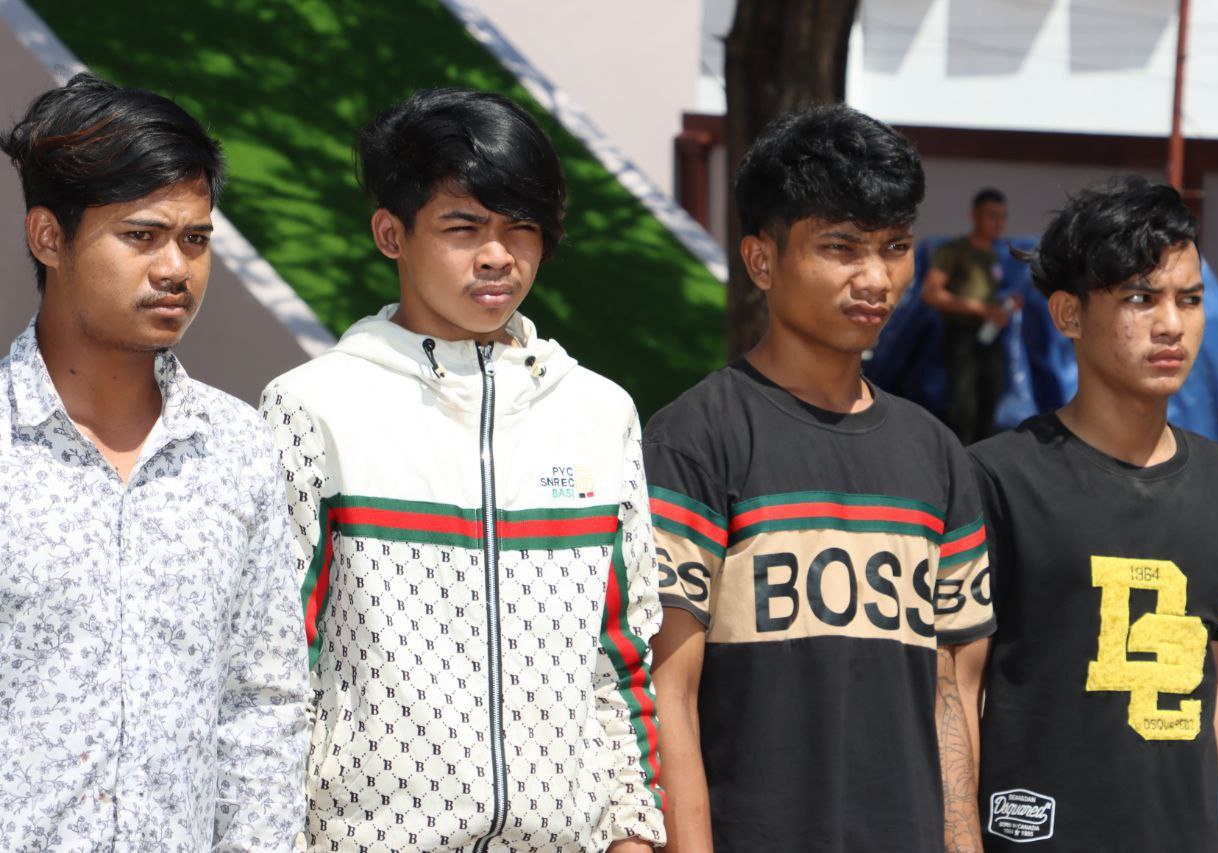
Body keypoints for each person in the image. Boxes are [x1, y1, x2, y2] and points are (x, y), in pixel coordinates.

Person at [259, 87, 664, 851]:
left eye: (521, 227)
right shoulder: (313, 406)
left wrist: (634, 834)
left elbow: (624, 655)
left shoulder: (600, 412)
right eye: (463, 226)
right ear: (391, 233)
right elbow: (271, 665)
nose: (498, 255)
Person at [645, 104, 994, 853]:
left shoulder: (937, 454)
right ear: (761, 261)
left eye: (894, 247)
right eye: (840, 247)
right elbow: (667, 693)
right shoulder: (695, 440)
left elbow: (952, 693)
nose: (875, 277)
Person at [0, 74, 308, 848]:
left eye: (195, 240)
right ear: (48, 237)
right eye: (142, 236)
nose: (176, 268)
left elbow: (262, 703)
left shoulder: (238, 448)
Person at [970, 175, 1218, 851]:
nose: (1171, 324)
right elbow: (955, 689)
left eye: (1189, 299)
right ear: (1068, 314)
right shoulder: (994, 479)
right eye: (1141, 298)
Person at [922, 187, 1013, 445]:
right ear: (975, 215)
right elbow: (931, 294)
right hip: (961, 336)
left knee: (991, 396)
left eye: (1002, 216)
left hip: (989, 336)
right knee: (964, 404)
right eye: (992, 215)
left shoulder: (994, 254)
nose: (998, 223)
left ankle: (982, 457)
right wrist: (980, 309)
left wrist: (1003, 306)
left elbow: (987, 296)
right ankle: (959, 455)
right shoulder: (955, 250)